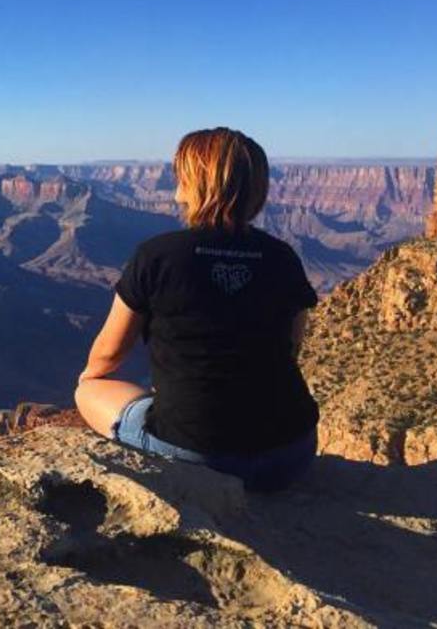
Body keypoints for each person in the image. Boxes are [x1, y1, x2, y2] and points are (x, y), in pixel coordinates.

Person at [74, 127, 320, 492]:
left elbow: (109, 355)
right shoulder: (283, 257)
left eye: (180, 176)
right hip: (290, 453)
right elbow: (291, 349)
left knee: (89, 389)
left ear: (193, 184)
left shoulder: (157, 255)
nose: (174, 189)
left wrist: (90, 377)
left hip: (200, 457)